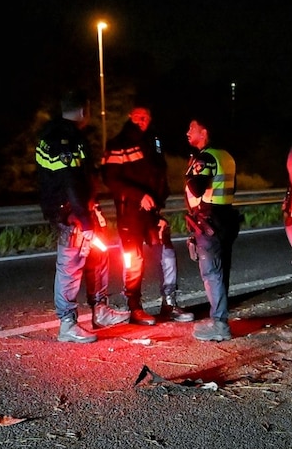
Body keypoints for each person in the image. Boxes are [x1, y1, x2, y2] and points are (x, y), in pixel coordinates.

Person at [35, 89, 130, 343]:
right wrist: (83, 219)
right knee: (71, 264)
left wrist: (92, 209)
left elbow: (82, 179)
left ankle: (100, 311)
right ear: (83, 110)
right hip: (71, 214)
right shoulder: (62, 139)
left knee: (99, 255)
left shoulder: (66, 136)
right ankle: (67, 324)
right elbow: (69, 181)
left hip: (82, 208)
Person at [102, 106, 195, 325]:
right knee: (134, 261)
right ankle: (135, 308)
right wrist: (138, 196)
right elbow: (111, 180)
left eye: (146, 117)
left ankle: (169, 303)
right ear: (129, 116)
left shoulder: (154, 142)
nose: (142, 120)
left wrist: (159, 207)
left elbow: (160, 176)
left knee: (167, 254)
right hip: (130, 213)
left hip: (153, 212)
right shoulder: (118, 144)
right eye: (138, 116)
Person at [183, 116, 241, 341]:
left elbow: (197, 189)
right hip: (226, 217)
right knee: (221, 269)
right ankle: (220, 316)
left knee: (211, 272)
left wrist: (189, 174)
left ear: (204, 132)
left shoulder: (205, 157)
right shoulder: (225, 156)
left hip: (209, 219)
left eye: (191, 128)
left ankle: (219, 323)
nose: (187, 132)